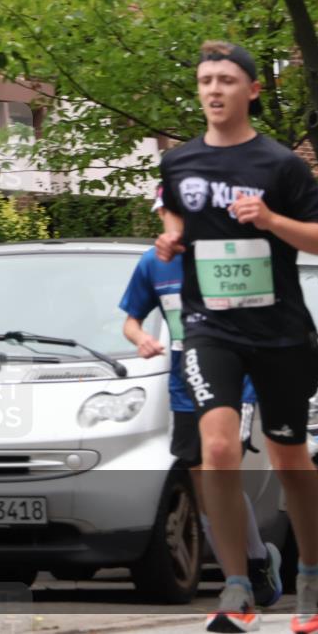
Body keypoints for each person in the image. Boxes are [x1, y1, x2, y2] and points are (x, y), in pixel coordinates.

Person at [155, 40, 318, 634]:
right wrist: (169, 238)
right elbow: (175, 213)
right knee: (215, 450)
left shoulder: (280, 165)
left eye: (228, 80)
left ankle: (312, 572)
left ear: (253, 91)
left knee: (290, 457)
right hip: (210, 326)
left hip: (281, 333)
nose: (214, 90)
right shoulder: (179, 161)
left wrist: (270, 222)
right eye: (206, 79)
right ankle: (236, 590)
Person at [120, 195, 282, 607]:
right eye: (165, 213)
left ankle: (245, 574)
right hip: (184, 387)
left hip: (233, 383)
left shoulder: (230, 255)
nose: (172, 220)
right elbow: (130, 321)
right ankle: (249, 564)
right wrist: (142, 340)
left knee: (217, 475)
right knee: (203, 485)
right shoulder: (151, 264)